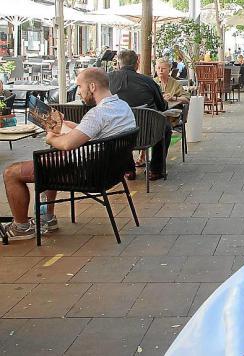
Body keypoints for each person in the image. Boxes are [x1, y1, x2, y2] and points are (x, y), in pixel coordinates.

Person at [2, 68, 135, 240]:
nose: (78, 92)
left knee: (11, 172)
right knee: (51, 159)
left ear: (92, 86)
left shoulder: (98, 113)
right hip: (110, 171)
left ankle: (21, 227)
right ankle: (46, 219)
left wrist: (51, 137)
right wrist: (64, 124)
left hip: (85, 174)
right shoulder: (122, 106)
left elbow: (66, 144)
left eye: (80, 86)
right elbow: (91, 130)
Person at [108, 49, 170, 181]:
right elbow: (162, 106)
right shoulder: (148, 81)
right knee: (166, 128)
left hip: (120, 133)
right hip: (148, 132)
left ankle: (128, 169)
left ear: (118, 64)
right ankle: (155, 170)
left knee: (117, 126)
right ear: (137, 64)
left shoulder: (107, 79)